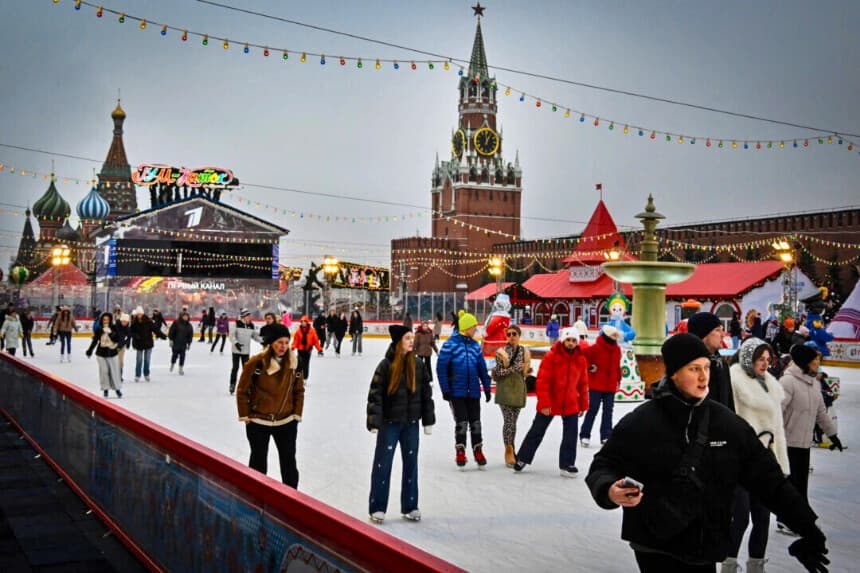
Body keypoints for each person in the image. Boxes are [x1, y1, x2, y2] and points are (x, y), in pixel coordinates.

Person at [585, 333, 831, 573]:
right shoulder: (642, 421)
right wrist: (609, 489)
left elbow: (769, 481)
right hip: (655, 544)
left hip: (705, 545)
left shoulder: (727, 424)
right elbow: (604, 464)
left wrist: (809, 529)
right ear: (674, 373)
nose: (704, 377)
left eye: (706, 368)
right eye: (694, 369)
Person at [722, 338, 789, 573]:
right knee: (739, 518)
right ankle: (728, 564)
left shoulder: (770, 384)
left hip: (765, 463)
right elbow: (729, 421)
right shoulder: (734, 380)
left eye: (768, 360)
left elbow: (778, 428)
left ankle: (756, 565)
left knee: (762, 518)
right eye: (760, 359)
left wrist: (780, 462)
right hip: (742, 463)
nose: (765, 364)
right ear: (748, 358)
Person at [366, 325, 435, 524]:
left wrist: (428, 420)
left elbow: (426, 395)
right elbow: (375, 396)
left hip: (411, 424)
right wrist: (374, 422)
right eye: (407, 338)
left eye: (412, 338)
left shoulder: (418, 365)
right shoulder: (386, 365)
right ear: (398, 342)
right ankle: (377, 507)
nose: (411, 341)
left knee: (411, 464)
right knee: (383, 464)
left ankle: (410, 505)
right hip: (390, 424)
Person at [513, 327, 588, 477]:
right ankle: (522, 458)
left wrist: (583, 404)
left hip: (571, 402)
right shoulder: (551, 357)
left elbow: (583, 384)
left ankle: (567, 464)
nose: (571, 343)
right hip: (551, 401)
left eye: (574, 340)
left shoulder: (580, 359)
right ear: (563, 340)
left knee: (571, 433)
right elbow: (543, 382)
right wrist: (545, 403)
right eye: (568, 340)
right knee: (537, 430)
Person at [236, 323, 304, 489]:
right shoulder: (256, 363)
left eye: (286, 342)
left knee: (289, 463)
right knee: (258, 463)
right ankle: (256, 495)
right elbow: (242, 390)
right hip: (259, 421)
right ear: (271, 343)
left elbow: (299, 391)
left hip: (286, 421)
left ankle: (291, 499)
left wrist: (296, 415)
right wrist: (245, 415)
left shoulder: (295, 363)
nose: (283, 346)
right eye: (279, 342)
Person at [779, 344, 843, 518]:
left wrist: (832, 434)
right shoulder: (788, 382)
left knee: (801, 484)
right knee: (790, 484)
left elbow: (821, 412)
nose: (818, 363)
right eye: (815, 360)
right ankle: (786, 518)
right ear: (805, 362)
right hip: (788, 442)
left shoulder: (814, 383)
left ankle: (798, 517)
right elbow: (776, 412)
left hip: (804, 442)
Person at [436, 310, 492, 469]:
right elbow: (441, 368)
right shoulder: (450, 345)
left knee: (476, 422)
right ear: (466, 327)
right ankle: (460, 450)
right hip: (456, 392)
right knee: (462, 422)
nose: (476, 329)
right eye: (474, 326)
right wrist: (445, 390)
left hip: (473, 391)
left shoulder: (475, 346)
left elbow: (481, 368)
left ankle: (478, 450)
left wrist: (486, 388)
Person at [491, 324, 531, 468]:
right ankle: (509, 451)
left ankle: (512, 448)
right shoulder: (501, 352)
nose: (512, 337)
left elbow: (526, 372)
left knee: (513, 422)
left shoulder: (524, 351)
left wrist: (526, 370)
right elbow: (498, 373)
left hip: (518, 390)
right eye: (509, 334)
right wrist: (514, 368)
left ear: (519, 335)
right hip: (505, 390)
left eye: (514, 334)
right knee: (509, 421)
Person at [580, 325, 622, 448]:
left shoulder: (617, 349)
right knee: (593, 409)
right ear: (607, 335)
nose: (616, 338)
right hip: (596, 385)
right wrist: (589, 367)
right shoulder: (595, 348)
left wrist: (618, 380)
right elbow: (582, 356)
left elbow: (617, 366)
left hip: (610, 386)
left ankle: (606, 435)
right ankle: (585, 434)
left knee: (608, 411)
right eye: (614, 335)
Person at [688, 312, 735, 412]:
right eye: (718, 330)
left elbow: (729, 401)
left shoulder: (721, 363)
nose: (723, 335)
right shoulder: (690, 366)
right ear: (703, 335)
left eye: (722, 330)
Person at [86, 312, 122, 398]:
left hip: (112, 353)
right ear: (102, 320)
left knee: (114, 371)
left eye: (108, 320)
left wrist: (110, 333)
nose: (106, 321)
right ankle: (105, 389)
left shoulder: (114, 328)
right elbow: (95, 341)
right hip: (101, 353)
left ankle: (117, 389)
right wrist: (90, 350)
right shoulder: (99, 329)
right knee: (104, 371)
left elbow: (118, 339)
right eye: (104, 319)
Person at [130, 306, 165, 382]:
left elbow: (155, 329)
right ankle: (137, 375)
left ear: (142, 313)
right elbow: (131, 332)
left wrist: (162, 335)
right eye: (138, 314)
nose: (139, 315)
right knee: (139, 360)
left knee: (147, 360)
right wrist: (135, 336)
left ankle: (146, 374)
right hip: (139, 344)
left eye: (140, 314)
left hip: (148, 343)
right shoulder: (134, 322)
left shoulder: (148, 321)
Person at [229, 309, 256, 395]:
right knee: (235, 368)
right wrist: (236, 343)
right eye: (248, 316)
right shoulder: (236, 324)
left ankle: (246, 386)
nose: (250, 317)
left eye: (250, 316)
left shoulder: (251, 325)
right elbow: (232, 336)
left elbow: (255, 336)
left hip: (246, 351)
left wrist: (263, 340)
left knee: (246, 370)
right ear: (243, 317)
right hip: (236, 350)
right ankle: (232, 384)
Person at [291, 315, 322, 382]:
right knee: (299, 362)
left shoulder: (312, 331)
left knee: (306, 364)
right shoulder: (298, 331)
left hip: (308, 349)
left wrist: (319, 349)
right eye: (302, 322)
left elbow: (315, 341)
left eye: (304, 322)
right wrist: (293, 346)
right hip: (300, 349)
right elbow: (296, 340)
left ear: (307, 322)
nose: (303, 323)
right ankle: (298, 375)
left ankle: (305, 378)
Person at [168, 310, 194, 375]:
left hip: (183, 344)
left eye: (187, 316)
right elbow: (171, 331)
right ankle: (172, 363)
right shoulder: (176, 323)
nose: (186, 317)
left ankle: (181, 368)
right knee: (175, 355)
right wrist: (171, 340)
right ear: (181, 316)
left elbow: (190, 335)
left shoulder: (189, 325)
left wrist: (189, 343)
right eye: (184, 316)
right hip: (176, 343)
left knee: (182, 356)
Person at [114, 312, 131, 380]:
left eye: (126, 322)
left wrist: (127, 344)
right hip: (114, 346)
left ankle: (119, 376)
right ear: (121, 321)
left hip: (121, 347)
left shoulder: (127, 328)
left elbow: (129, 337)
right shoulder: (115, 327)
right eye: (123, 321)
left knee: (120, 362)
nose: (124, 323)